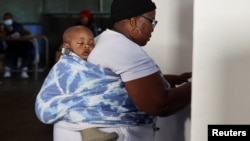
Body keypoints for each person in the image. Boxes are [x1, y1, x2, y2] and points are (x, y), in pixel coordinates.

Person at [35, 0, 191, 141]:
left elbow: (117, 81)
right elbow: (159, 104)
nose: (153, 28)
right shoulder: (124, 49)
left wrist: (166, 79)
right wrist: (197, 86)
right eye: (152, 21)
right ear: (135, 22)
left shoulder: (102, 40)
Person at [35, 25, 118, 141]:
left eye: (91, 43)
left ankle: (90, 133)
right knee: (79, 105)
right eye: (80, 43)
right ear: (67, 46)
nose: (87, 46)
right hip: (56, 102)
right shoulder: (66, 65)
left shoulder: (88, 61)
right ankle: (90, 133)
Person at [2, 12, 34, 78]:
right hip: (11, 46)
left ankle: (24, 70)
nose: (7, 20)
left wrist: (25, 36)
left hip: (22, 45)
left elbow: (28, 34)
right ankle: (7, 70)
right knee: (9, 50)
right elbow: (3, 37)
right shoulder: (3, 27)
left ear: (11, 18)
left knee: (28, 48)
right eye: (6, 19)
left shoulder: (17, 25)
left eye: (9, 18)